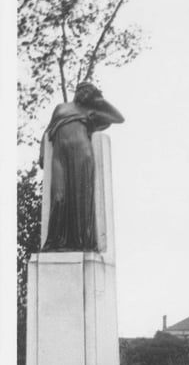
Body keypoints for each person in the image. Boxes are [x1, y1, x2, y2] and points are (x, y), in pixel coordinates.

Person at [39, 82, 125, 252]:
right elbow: (47, 132)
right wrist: (42, 152)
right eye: (82, 90)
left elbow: (119, 118)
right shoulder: (61, 108)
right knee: (58, 197)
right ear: (77, 92)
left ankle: (79, 243)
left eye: (89, 92)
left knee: (81, 199)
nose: (84, 94)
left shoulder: (91, 111)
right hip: (59, 156)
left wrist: (100, 100)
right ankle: (56, 242)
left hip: (82, 155)